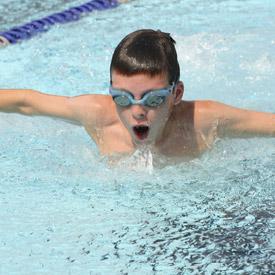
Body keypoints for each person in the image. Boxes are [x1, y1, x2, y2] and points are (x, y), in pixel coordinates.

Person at [0, 29, 274, 162]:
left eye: (153, 99)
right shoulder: (97, 114)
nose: (137, 111)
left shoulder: (203, 121)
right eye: (122, 98)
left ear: (176, 94)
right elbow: (27, 103)